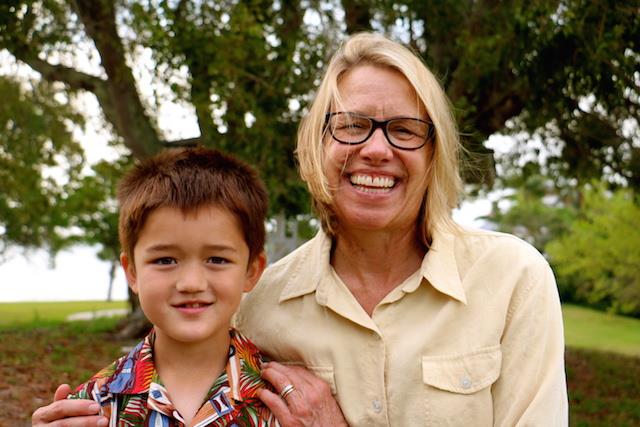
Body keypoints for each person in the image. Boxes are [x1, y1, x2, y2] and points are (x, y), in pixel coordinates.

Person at [33, 32, 568, 427]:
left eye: (405, 130)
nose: (376, 149)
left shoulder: (512, 279)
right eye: (353, 125)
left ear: (434, 154)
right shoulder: (256, 303)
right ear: (317, 144)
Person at [61, 147, 279, 426]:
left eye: (217, 259)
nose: (191, 283)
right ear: (132, 272)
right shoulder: (91, 407)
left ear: (252, 270)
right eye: (165, 260)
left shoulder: (288, 405)